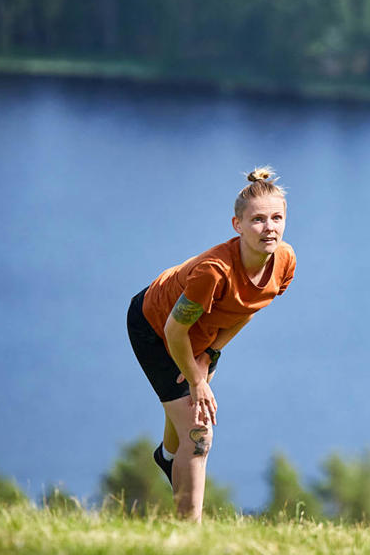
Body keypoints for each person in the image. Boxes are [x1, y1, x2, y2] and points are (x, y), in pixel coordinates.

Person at [125, 167, 296, 520]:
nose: (270, 227)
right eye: (258, 220)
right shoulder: (214, 272)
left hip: (203, 335)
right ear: (238, 225)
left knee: (186, 420)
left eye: (277, 218)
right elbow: (175, 330)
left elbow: (247, 308)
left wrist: (210, 354)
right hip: (156, 328)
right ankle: (190, 534)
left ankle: (167, 458)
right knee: (199, 434)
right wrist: (197, 380)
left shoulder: (284, 262)